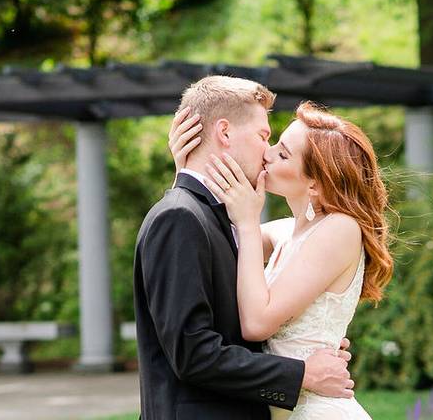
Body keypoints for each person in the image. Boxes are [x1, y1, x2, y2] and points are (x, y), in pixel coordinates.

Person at [134, 76, 355, 420]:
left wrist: (307, 346)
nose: (267, 152)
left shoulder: (217, 217)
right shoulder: (180, 217)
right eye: (263, 136)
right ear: (224, 133)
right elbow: (193, 354)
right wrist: (301, 374)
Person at [169, 92, 394, 419]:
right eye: (273, 142)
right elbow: (205, 240)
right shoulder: (286, 232)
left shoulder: (340, 229)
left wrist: (248, 222)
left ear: (315, 184)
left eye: (283, 154)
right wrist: (187, 169)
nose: (266, 154)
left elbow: (257, 323)